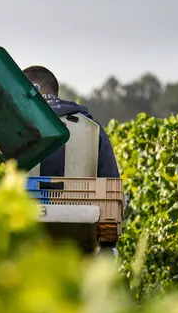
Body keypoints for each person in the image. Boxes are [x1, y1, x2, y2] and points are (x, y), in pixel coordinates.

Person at [23, 65, 122, 257]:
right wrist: (107, 244)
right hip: (80, 247)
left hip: (25, 243)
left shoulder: (11, 127)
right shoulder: (93, 128)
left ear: (31, 89)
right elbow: (110, 192)